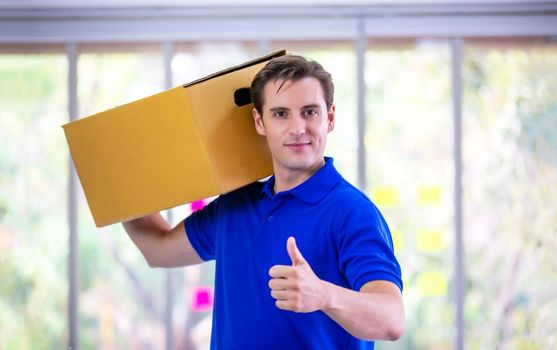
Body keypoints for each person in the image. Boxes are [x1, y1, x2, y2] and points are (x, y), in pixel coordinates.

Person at [123, 54, 404, 349]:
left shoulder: (352, 212)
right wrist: (120, 189)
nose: (297, 128)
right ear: (260, 121)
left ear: (329, 118)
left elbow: (392, 318)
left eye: (309, 112)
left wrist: (323, 295)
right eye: (281, 114)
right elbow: (157, 249)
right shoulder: (234, 206)